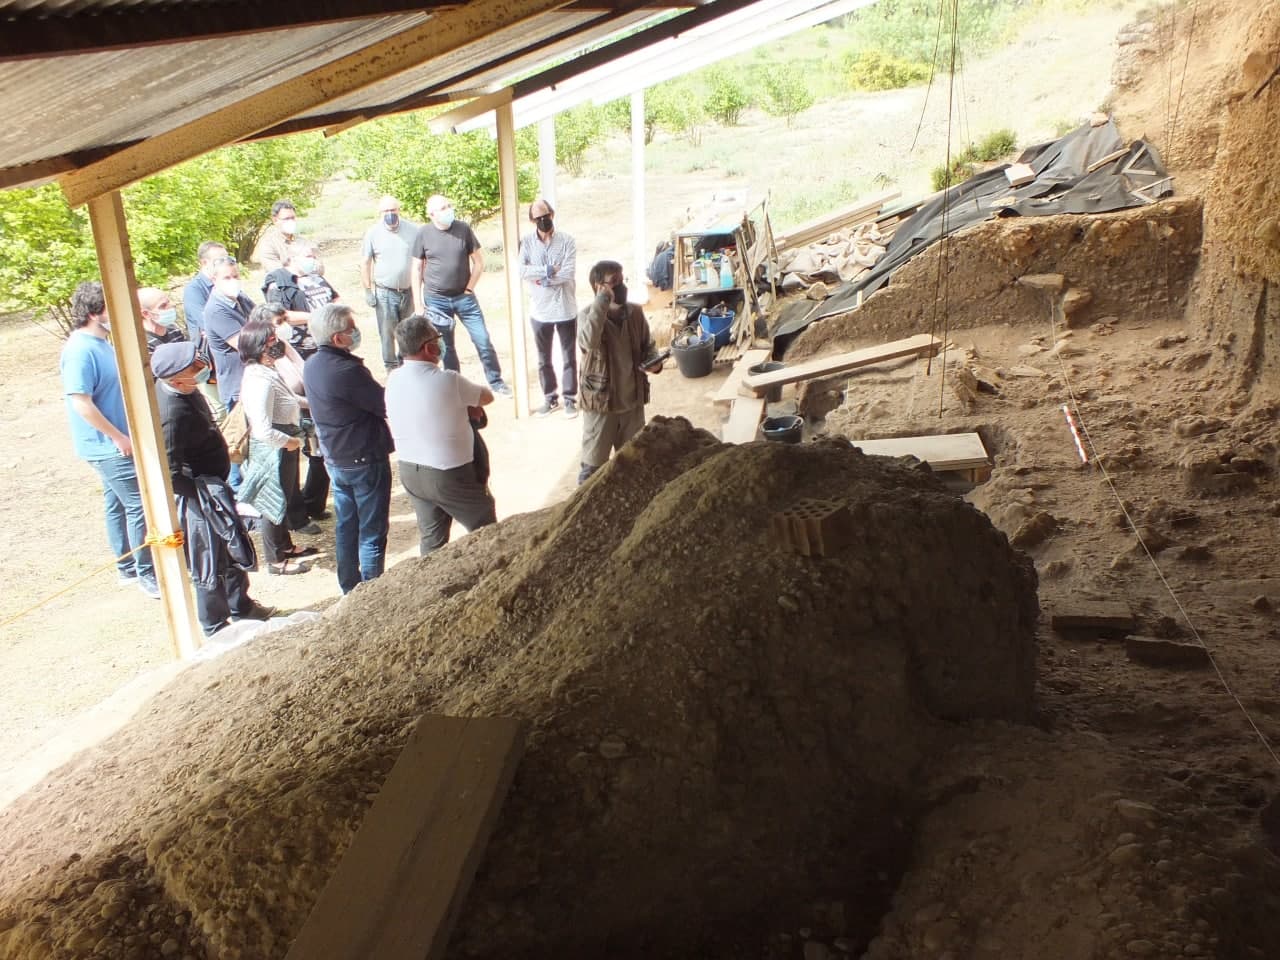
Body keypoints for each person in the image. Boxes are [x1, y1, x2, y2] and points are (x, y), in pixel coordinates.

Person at [149, 342, 274, 634]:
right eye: (192, 367)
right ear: (177, 379)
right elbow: (169, 472)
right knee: (210, 559)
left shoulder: (188, 390)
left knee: (231, 549)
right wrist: (204, 495)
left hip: (215, 486)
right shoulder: (172, 414)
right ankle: (215, 625)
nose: (200, 367)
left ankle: (241, 605)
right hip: (201, 498)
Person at [59, 281, 158, 598]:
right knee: (138, 505)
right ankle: (147, 572)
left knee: (115, 503)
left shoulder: (103, 342)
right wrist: (117, 437)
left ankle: (126, 566)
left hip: (116, 440)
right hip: (107, 446)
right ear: (92, 313)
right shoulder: (80, 350)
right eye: (110, 309)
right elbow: (81, 403)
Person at [386, 314, 496, 556]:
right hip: (447, 473)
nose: (441, 343)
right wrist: (466, 404)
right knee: (485, 524)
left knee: (432, 539)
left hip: (410, 471)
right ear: (429, 348)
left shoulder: (393, 378)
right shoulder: (448, 380)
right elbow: (487, 396)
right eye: (437, 338)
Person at [303, 303, 394, 594]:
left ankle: (349, 586)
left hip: (336, 458)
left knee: (346, 526)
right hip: (363, 458)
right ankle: (371, 591)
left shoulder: (312, 364)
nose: (355, 332)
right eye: (350, 328)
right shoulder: (345, 370)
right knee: (371, 530)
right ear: (337, 338)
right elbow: (383, 405)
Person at [236, 318, 317, 576]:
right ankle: (275, 559)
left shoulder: (266, 372)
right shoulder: (258, 380)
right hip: (274, 447)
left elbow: (288, 398)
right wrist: (290, 442)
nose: (277, 343)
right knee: (272, 501)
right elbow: (261, 427)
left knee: (285, 494)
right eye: (271, 339)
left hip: (284, 443)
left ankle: (286, 546)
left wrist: (314, 402)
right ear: (259, 346)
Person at [411, 194, 511, 395]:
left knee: (482, 339)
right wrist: (419, 304)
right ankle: (453, 386)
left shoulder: (463, 229)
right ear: (431, 214)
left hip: (465, 299)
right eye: (442, 207)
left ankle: (496, 381)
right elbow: (416, 269)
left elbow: (479, 262)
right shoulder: (423, 233)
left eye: (449, 205)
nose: (448, 209)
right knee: (446, 346)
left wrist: (469, 289)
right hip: (436, 300)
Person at [577, 260, 662, 485]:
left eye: (622, 280)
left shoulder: (635, 312)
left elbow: (648, 345)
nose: (621, 286)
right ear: (599, 287)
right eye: (614, 282)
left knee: (634, 464)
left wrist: (654, 362)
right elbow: (588, 341)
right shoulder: (587, 316)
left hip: (632, 403)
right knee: (592, 469)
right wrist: (602, 301)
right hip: (601, 406)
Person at [253, 302, 329, 533]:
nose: (285, 326)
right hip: (285, 418)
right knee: (289, 469)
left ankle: (312, 504)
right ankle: (296, 518)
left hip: (305, 407)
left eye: (285, 320)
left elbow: (303, 369)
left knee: (317, 457)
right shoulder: (264, 358)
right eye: (279, 323)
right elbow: (285, 395)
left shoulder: (283, 346)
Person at [518, 198, 579, 418]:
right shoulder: (526, 243)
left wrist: (541, 279)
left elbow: (567, 273)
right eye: (538, 218)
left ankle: (570, 398)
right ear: (532, 220)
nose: (543, 220)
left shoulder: (567, 241)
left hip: (565, 308)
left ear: (552, 215)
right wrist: (548, 270)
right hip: (540, 311)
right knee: (543, 358)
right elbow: (521, 271)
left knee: (568, 356)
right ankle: (550, 397)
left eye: (545, 215)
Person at [361, 195, 419, 373]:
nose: (390, 214)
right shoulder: (372, 233)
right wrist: (368, 290)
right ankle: (391, 366)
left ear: (398, 210)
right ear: (380, 213)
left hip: (408, 291)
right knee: (387, 332)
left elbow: (420, 259)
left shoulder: (413, 230)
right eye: (386, 211)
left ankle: (406, 363)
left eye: (393, 210)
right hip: (385, 292)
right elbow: (365, 262)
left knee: (408, 330)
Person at [180, 241, 229, 421]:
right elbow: (210, 324)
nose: (224, 263)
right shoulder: (194, 290)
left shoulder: (227, 283)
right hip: (211, 362)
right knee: (220, 413)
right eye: (218, 260)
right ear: (204, 263)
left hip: (231, 359)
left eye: (226, 258)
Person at [202, 258, 256, 410]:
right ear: (214, 279)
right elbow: (248, 346)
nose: (233, 281)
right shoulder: (216, 311)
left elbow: (264, 320)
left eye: (236, 276)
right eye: (227, 277)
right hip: (238, 389)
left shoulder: (241, 298)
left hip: (254, 379)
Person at [252, 199, 323, 277]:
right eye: (286, 219)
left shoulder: (304, 242)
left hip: (309, 285)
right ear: (275, 220)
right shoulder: (268, 245)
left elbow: (320, 268)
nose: (291, 221)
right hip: (285, 287)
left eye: (293, 218)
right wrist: (302, 267)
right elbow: (278, 272)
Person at [137, 287, 188, 354]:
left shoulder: (174, 330)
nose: (171, 306)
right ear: (146, 314)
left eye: (168, 302)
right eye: (163, 306)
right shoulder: (144, 344)